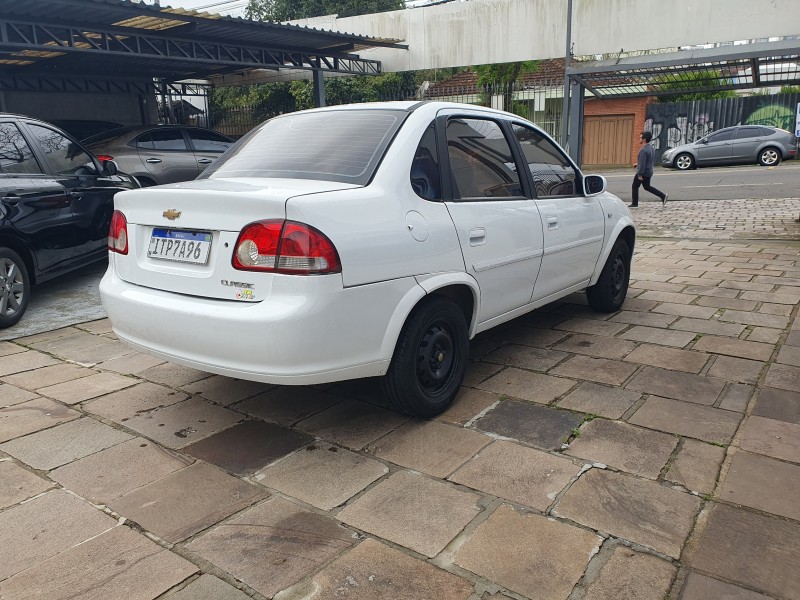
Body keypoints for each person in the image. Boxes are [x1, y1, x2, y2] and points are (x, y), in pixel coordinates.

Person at [631, 131, 668, 207]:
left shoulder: (643, 150)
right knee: (647, 187)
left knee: (634, 186)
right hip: (649, 171)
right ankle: (663, 196)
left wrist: (640, 174)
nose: (639, 139)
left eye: (640, 137)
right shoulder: (651, 148)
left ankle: (634, 203)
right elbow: (647, 160)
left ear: (644, 139)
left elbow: (643, 164)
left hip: (643, 172)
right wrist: (637, 164)